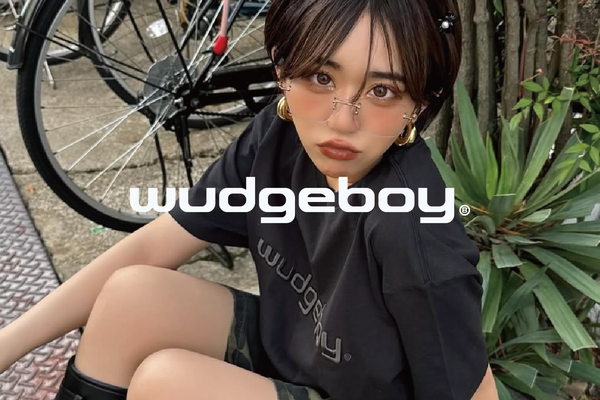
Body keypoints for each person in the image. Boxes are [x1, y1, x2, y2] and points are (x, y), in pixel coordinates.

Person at [0, 0, 499, 399]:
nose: (342, 120)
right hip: (297, 352)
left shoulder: (414, 234)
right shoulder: (279, 136)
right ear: (282, 68)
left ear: (421, 101)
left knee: (168, 382)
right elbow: (154, 245)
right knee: (132, 294)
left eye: (383, 90)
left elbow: (471, 388)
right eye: (321, 78)